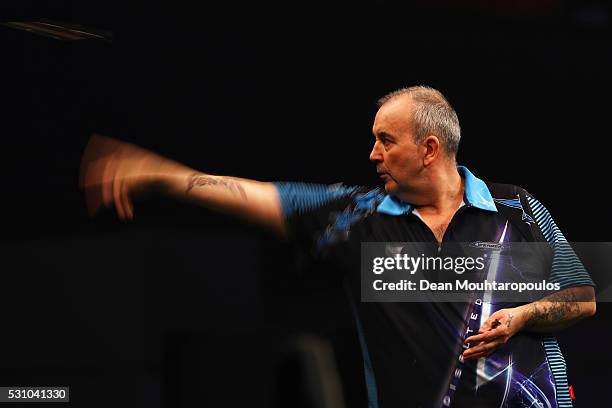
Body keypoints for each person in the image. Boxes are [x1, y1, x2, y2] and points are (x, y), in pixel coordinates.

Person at [80, 86, 596, 408]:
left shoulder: (516, 209)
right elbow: (259, 195)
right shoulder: (359, 218)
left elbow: (583, 295)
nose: (372, 153)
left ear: (429, 149)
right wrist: (162, 176)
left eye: (385, 140)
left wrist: (525, 314)